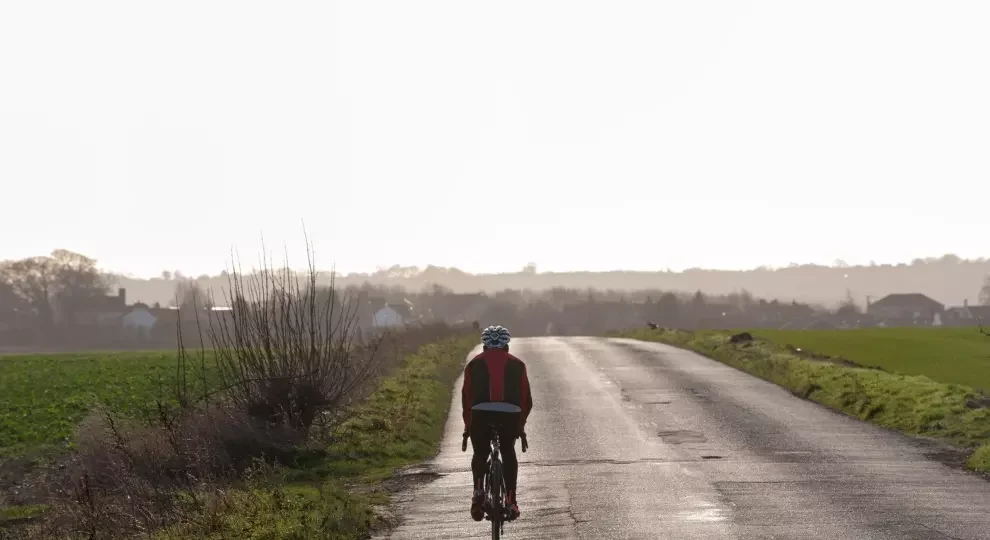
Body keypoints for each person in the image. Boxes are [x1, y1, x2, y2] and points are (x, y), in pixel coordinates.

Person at [461, 324, 533, 522]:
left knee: (480, 453)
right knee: (508, 452)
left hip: (480, 414)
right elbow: (526, 399)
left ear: (484, 347)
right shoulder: (518, 365)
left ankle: (478, 492)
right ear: (507, 346)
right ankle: (510, 500)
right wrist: (520, 425)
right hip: (509, 416)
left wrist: (469, 426)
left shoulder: (474, 364)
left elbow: (467, 397)